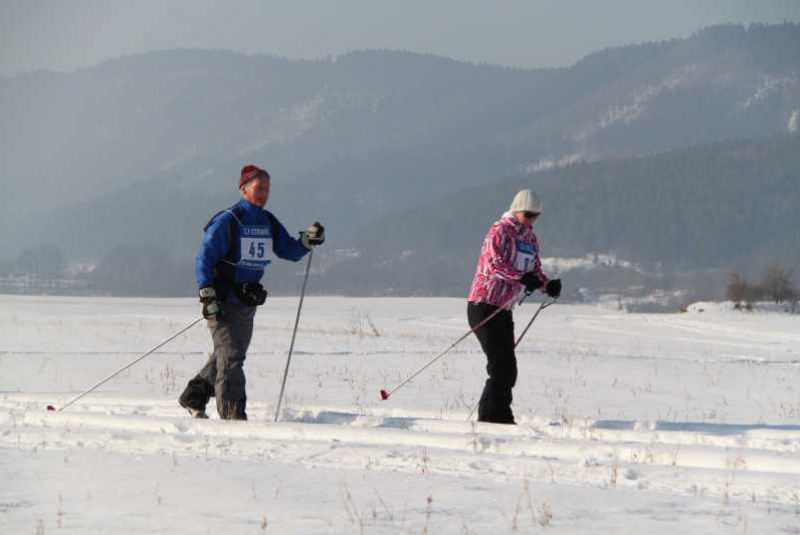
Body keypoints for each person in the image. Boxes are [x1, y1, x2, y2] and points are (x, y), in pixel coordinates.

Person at [178, 164, 325, 420]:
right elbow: (204, 258)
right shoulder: (228, 221)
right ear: (243, 189)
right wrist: (206, 294)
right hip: (222, 301)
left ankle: (194, 395)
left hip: (247, 302)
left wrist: (306, 242)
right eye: (259, 188)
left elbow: (288, 250)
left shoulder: (267, 221)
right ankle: (233, 416)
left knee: (229, 355)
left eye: (267, 188)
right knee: (231, 357)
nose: (264, 193)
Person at [467, 189, 561, 424]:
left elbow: (534, 271)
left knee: (508, 368)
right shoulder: (499, 232)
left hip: (505, 308)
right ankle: (494, 419)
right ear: (516, 209)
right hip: (484, 304)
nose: (531, 220)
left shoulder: (530, 238)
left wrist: (546, 285)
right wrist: (522, 278)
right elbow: (495, 265)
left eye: (535, 216)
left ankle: (497, 417)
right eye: (528, 214)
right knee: (500, 366)